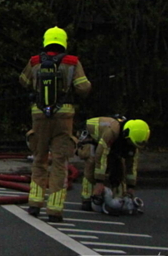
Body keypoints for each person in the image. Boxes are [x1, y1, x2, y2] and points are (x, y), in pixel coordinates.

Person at [18, 27, 91, 222]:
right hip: (64, 117)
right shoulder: (72, 62)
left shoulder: (35, 61)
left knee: (39, 159)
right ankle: (55, 209)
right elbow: (83, 87)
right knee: (60, 162)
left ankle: (34, 204)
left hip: (39, 115)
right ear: (63, 42)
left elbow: (23, 81)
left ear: (46, 41)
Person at [77, 116, 150, 215]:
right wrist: (99, 182)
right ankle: (87, 199)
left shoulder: (131, 140)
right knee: (92, 162)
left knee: (118, 166)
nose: (131, 146)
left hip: (106, 143)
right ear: (125, 135)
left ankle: (117, 196)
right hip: (90, 137)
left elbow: (131, 165)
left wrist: (131, 187)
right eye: (130, 143)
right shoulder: (112, 132)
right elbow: (101, 154)